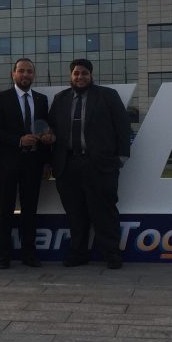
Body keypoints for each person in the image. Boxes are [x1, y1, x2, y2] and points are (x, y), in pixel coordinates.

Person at [48, 59, 132, 269]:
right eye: (76, 73)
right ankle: (79, 254)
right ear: (71, 76)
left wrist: (121, 158)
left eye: (84, 73)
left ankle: (112, 254)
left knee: (104, 211)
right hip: (68, 165)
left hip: (100, 165)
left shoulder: (108, 96)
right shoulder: (60, 99)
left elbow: (123, 126)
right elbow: (52, 128)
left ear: (91, 75)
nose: (80, 77)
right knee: (75, 213)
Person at [0, 58, 52, 268]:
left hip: (33, 163)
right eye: (21, 71)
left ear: (34, 75)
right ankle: (3, 256)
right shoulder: (0, 98)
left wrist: (46, 159)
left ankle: (29, 254)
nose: (25, 75)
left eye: (29, 71)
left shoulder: (41, 100)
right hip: (7, 163)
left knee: (30, 210)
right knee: (5, 210)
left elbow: (45, 128)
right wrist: (18, 140)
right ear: (13, 74)